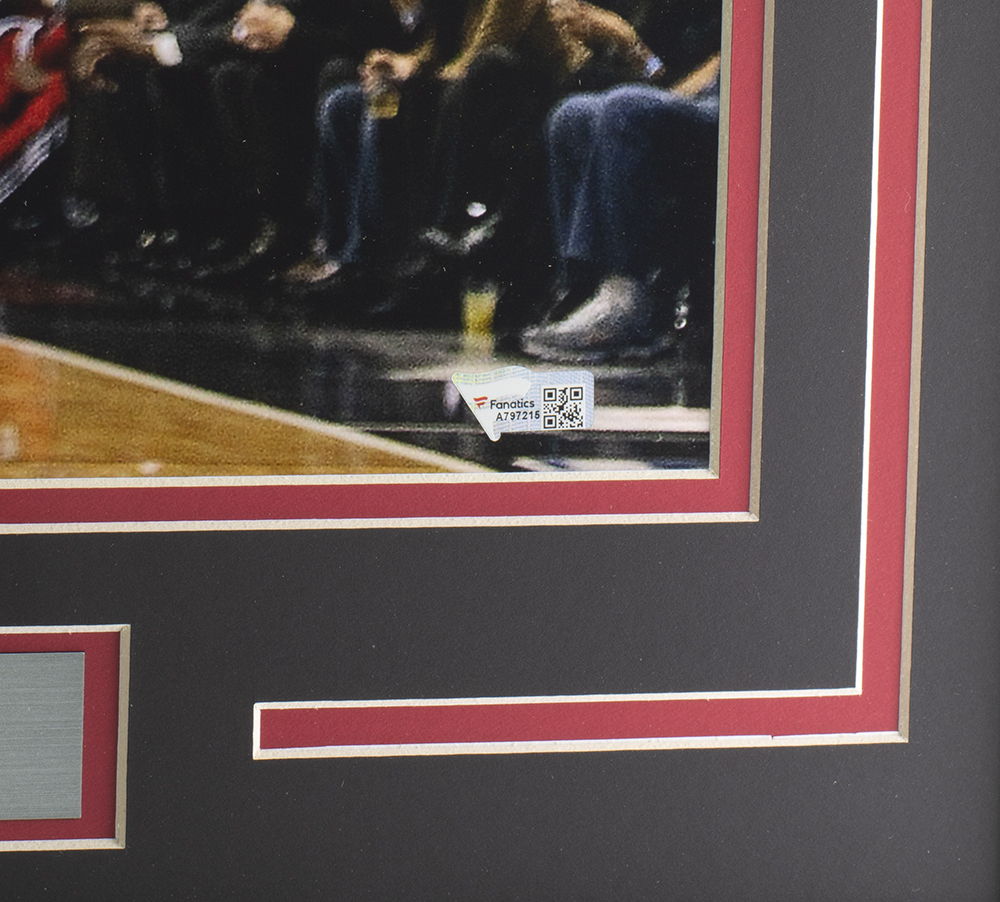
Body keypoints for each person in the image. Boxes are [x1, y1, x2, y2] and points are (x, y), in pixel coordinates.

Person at [520, 52, 720, 361]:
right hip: (702, 93)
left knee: (624, 107)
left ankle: (625, 300)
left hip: (743, 107)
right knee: (571, 115)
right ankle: (584, 290)